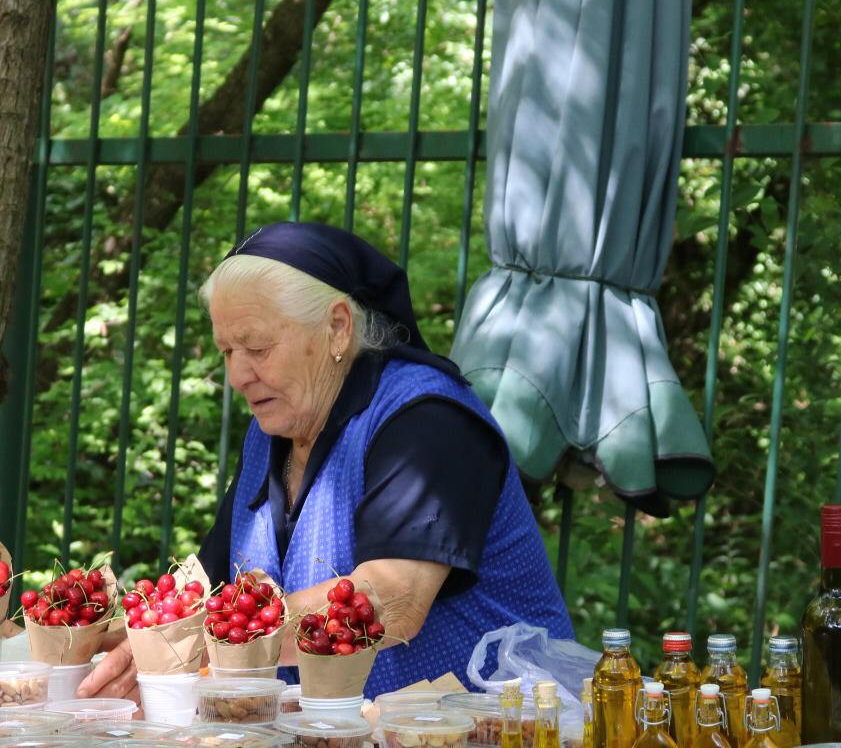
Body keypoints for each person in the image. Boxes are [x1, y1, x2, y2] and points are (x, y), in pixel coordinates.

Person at [79, 222, 572, 701]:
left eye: (256, 347)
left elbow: (389, 602)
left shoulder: (426, 419)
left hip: (497, 745)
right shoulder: (270, 432)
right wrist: (117, 632)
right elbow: (211, 591)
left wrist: (192, 646)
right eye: (226, 351)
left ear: (338, 327)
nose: (237, 375)